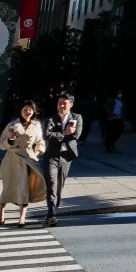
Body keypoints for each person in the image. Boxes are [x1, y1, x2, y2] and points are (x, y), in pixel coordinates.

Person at [0, 101, 46, 227]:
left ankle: (22, 218)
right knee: (8, 186)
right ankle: (1, 212)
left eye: (30, 109)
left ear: (34, 111)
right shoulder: (12, 124)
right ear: (21, 111)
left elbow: (40, 140)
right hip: (11, 158)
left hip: (27, 157)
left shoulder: (36, 125)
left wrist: (39, 151)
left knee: (24, 187)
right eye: (25, 109)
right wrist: (10, 139)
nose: (28, 112)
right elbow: (1, 144)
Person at [40, 93, 83, 226]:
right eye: (59, 103)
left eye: (64, 103)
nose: (61, 106)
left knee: (59, 186)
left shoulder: (76, 118)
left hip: (66, 156)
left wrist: (58, 134)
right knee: (51, 184)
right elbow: (47, 135)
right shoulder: (50, 119)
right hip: (51, 155)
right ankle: (52, 214)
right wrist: (64, 133)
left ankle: (51, 212)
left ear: (71, 104)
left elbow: (76, 135)